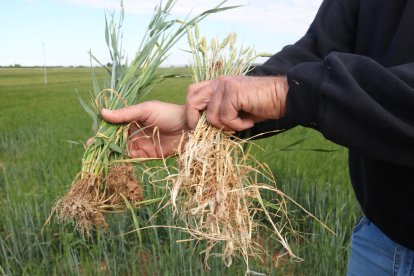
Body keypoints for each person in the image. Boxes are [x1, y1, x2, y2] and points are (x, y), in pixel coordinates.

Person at [100, 0, 414, 274]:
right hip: (379, 240)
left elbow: (293, 86)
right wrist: (199, 123)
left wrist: (286, 93)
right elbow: (313, 54)